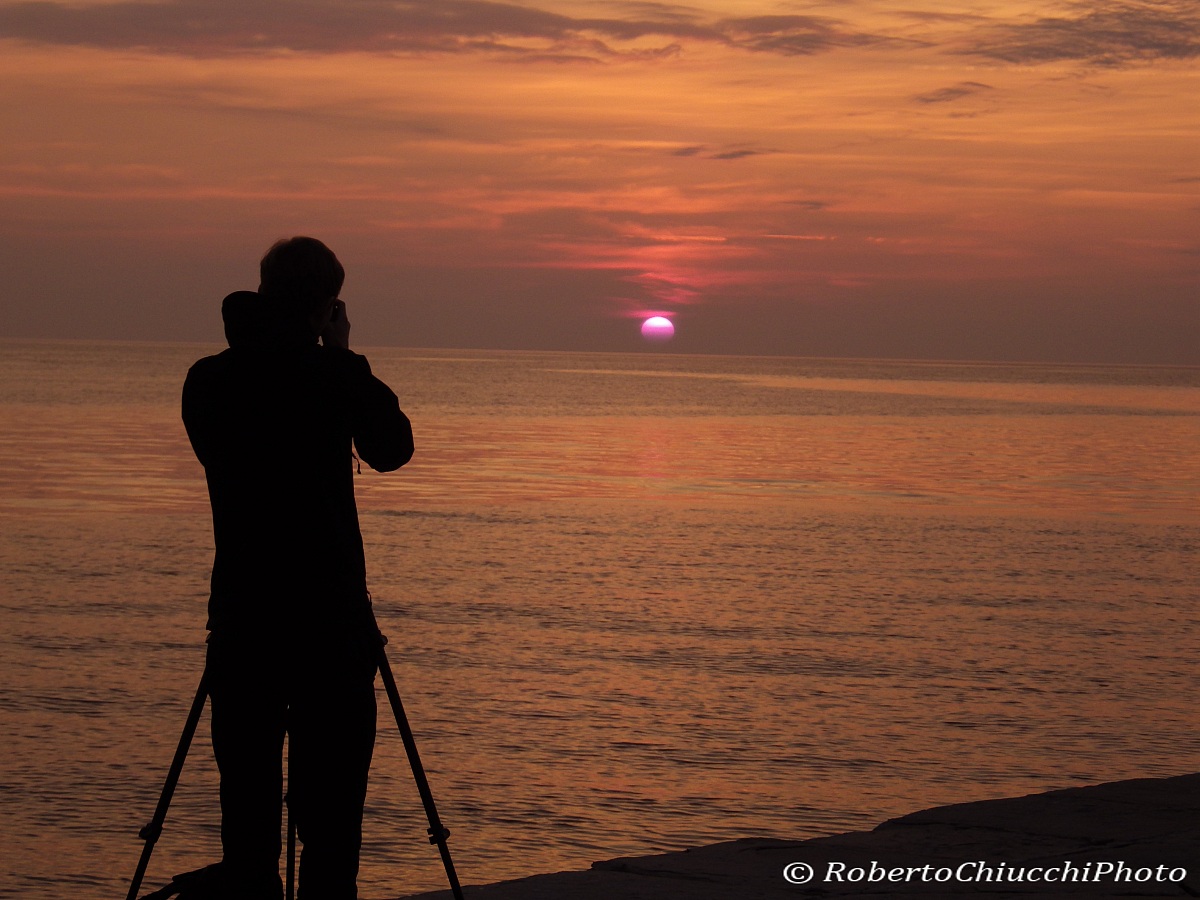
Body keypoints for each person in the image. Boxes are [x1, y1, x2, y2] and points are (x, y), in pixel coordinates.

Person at [182, 237, 414, 899]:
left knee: (247, 816)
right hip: (329, 627)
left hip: (244, 622)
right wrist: (340, 359)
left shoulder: (209, 380)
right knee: (332, 821)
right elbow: (392, 448)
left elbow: (219, 455)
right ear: (322, 307)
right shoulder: (335, 377)